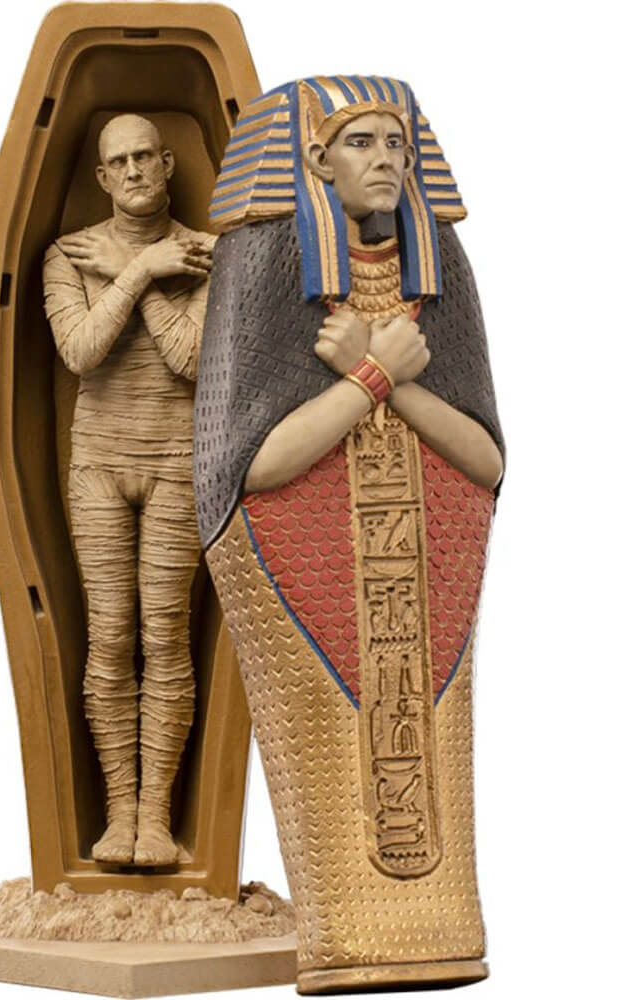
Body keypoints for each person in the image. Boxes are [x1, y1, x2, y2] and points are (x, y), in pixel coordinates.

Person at [194, 76, 504, 990]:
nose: (385, 160)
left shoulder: (442, 273)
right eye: (361, 142)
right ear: (314, 160)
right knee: (342, 750)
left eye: (397, 144)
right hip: (304, 558)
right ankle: (345, 936)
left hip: (426, 562)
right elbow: (249, 466)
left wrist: (380, 374)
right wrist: (374, 380)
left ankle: (438, 930)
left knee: (419, 739)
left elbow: (484, 460)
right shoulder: (260, 266)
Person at [42, 114, 214, 867]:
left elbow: (191, 359)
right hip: (100, 464)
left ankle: (157, 817)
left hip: (178, 460)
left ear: (168, 163)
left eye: (146, 155)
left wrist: (132, 270)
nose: (135, 170)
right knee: (110, 633)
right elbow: (81, 352)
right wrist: (142, 270)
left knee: (165, 633)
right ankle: (120, 812)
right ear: (103, 177)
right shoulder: (70, 254)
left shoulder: (207, 254)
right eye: (120, 161)